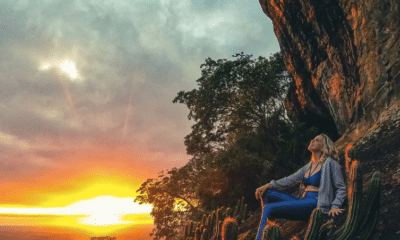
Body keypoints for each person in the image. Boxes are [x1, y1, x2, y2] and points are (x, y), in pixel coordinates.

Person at [254, 134, 347, 240]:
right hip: (302, 201)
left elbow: (341, 188)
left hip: (315, 203)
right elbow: (289, 179)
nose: (312, 141)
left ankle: (259, 238)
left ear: (324, 146)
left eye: (316, 140)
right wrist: (268, 185)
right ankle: (269, 234)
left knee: (269, 208)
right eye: (312, 139)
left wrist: (335, 205)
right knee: (267, 193)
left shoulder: (331, 163)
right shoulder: (309, 166)